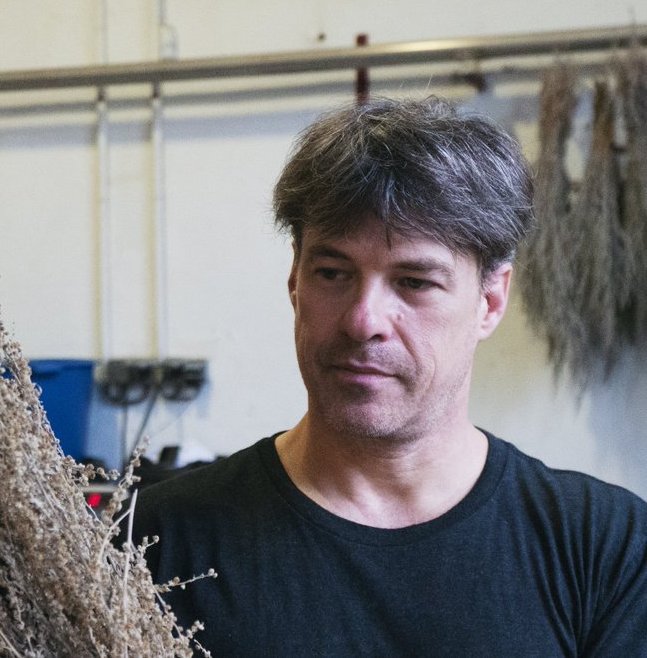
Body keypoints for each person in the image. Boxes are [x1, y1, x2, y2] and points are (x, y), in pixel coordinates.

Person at [132, 96, 647, 656]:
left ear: (490, 301)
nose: (362, 321)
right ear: (294, 283)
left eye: (414, 282)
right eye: (332, 272)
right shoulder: (157, 543)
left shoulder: (605, 545)